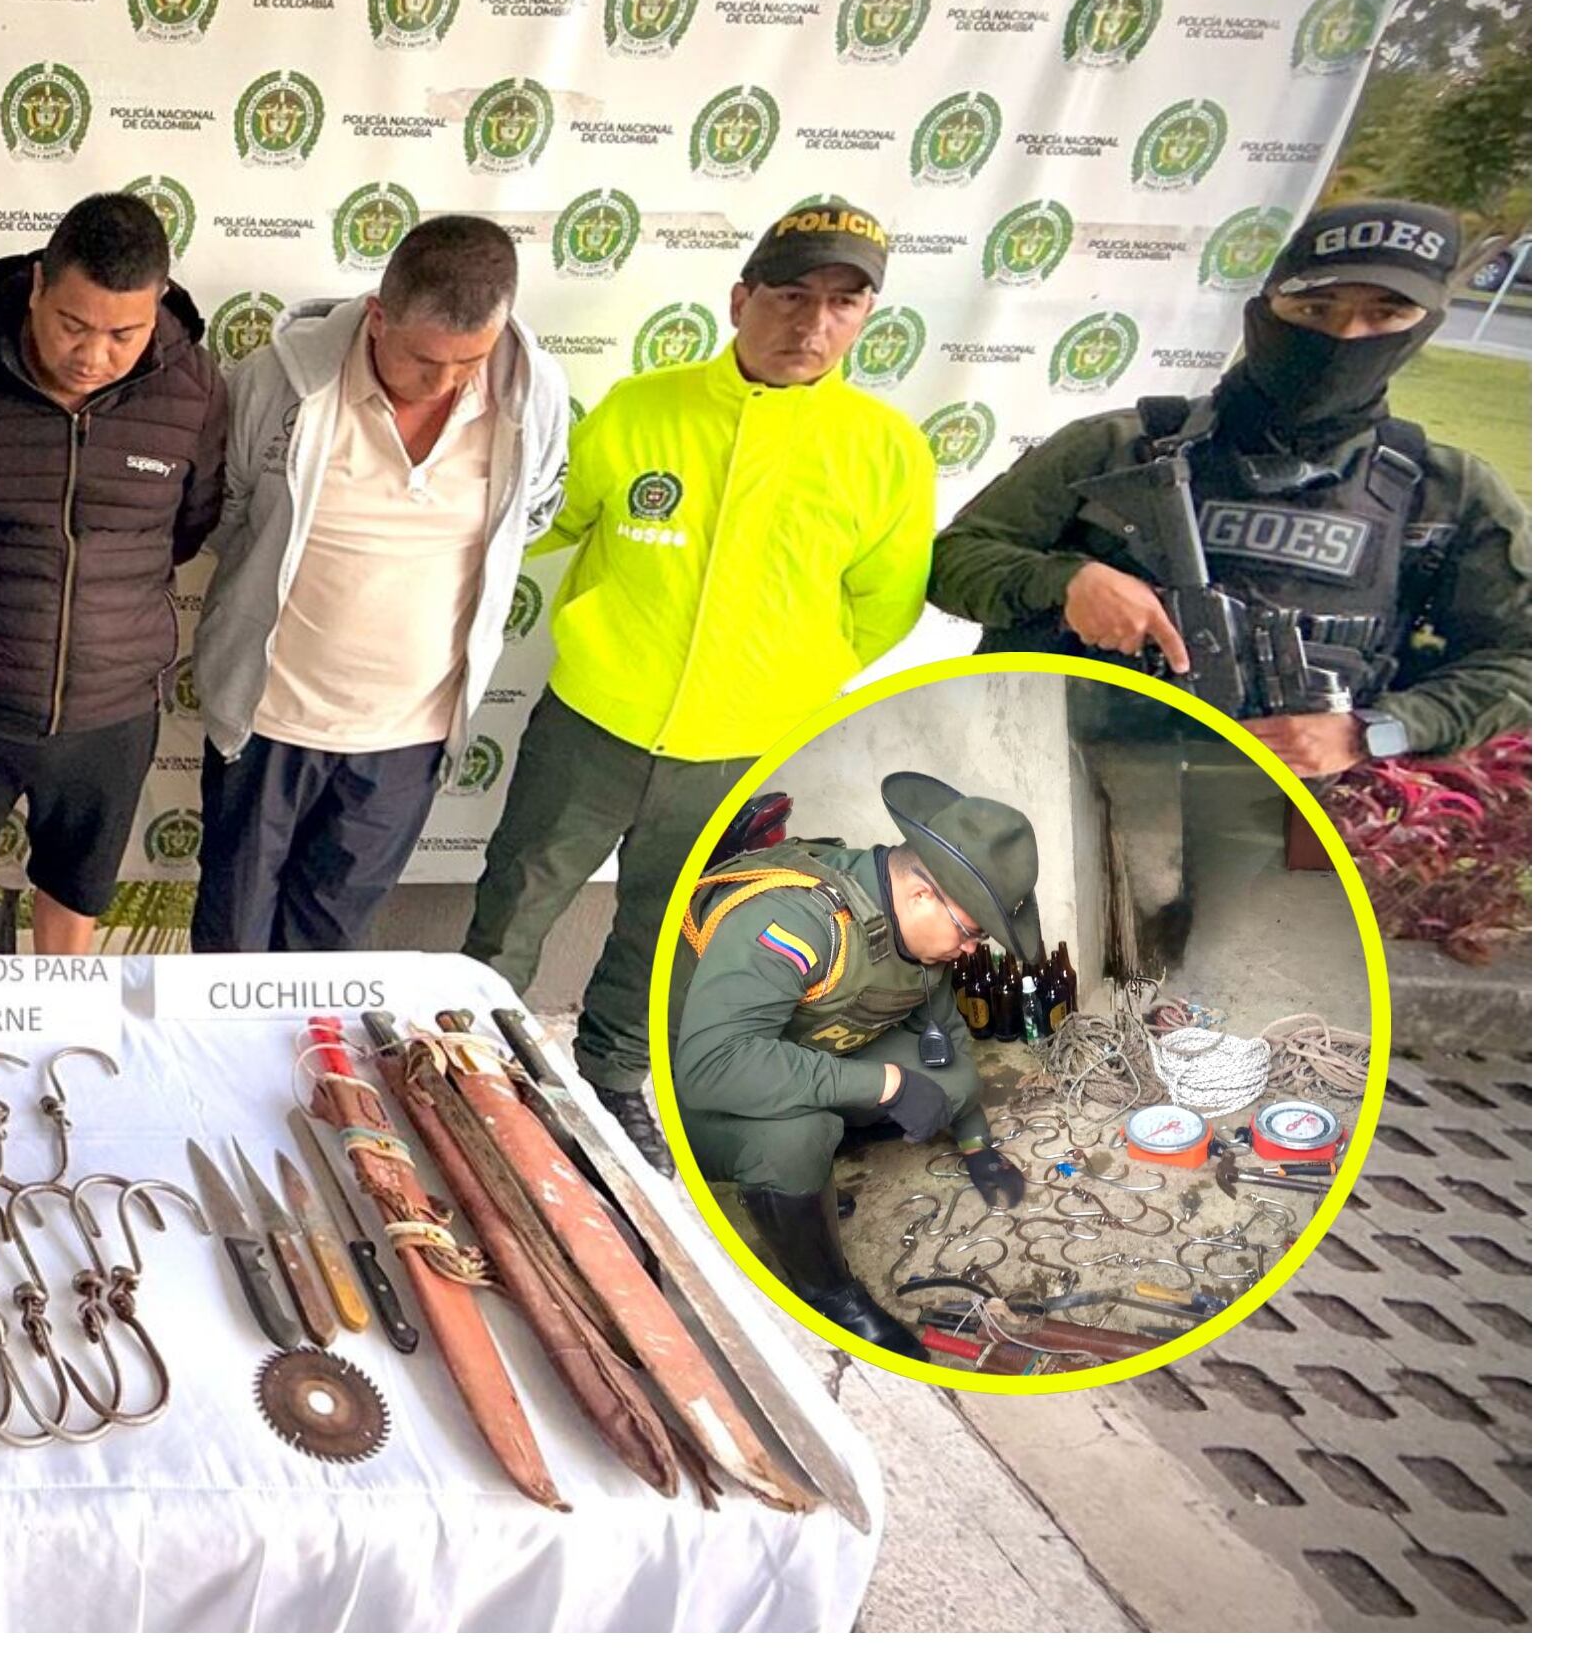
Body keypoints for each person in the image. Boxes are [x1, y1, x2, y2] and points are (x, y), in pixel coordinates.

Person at [462, 196, 935, 1170]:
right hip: (594, 722)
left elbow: (883, 609)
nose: (812, 324)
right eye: (792, 295)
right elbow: (542, 524)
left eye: (845, 304)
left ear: (867, 320)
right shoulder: (643, 408)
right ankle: (463, 1063)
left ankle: (611, 1077)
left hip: (737, 742)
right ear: (739, 298)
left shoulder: (886, 451)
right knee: (517, 895)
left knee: (669, 926)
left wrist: (777, 682)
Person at [929, 199, 1530, 776]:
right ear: (1265, 312)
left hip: (1274, 814)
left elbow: (1524, 659)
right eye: (1316, 310)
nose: (1346, 336)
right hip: (1054, 767)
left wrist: (1374, 729)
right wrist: (1066, 582)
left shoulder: (1446, 493)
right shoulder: (1119, 446)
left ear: (1421, 328)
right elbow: (953, 562)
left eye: (1384, 315)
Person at [189, 217, 570, 952]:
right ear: (377, 315)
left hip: (409, 737)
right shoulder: (281, 382)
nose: (449, 382)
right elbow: (225, 515)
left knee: (328, 954)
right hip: (268, 723)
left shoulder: (534, 395)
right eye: (425, 359)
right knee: (228, 951)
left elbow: (532, 517)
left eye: (472, 360)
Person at [0, 192, 227, 955]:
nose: (94, 353)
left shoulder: (193, 387)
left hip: (112, 709)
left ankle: (53, 1043)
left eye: (123, 333)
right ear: (38, 284)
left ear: (159, 306)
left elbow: (189, 524)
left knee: (76, 892)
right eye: (73, 323)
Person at [666, 772, 1041, 1362]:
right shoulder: (800, 921)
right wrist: (885, 1084)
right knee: (797, 1135)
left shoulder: (914, 932)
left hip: (800, 1053)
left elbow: (947, 1037)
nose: (972, 951)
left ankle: (808, 1187)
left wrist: (977, 1146)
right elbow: (714, 1063)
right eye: (971, 934)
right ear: (923, 896)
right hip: (691, 1088)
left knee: (952, 1077)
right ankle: (827, 1293)